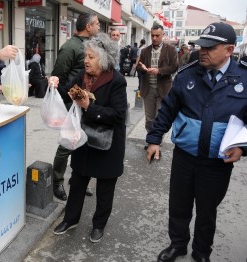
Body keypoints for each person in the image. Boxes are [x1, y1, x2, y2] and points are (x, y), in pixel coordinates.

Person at [146, 22, 247, 262]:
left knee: (206, 211)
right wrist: (154, 140)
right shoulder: (187, 74)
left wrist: (243, 148)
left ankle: (202, 252)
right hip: (185, 157)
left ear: (229, 50)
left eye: (210, 47)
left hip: (216, 163)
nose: (203, 51)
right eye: (201, 45)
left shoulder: (244, 78)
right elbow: (168, 110)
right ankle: (178, 244)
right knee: (179, 205)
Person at [51, 32, 127, 243]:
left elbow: (118, 115)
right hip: (84, 141)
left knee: (104, 188)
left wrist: (89, 107)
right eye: (86, 56)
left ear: (103, 59)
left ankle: (98, 225)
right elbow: (67, 90)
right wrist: (54, 84)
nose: (86, 60)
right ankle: (70, 219)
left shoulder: (117, 81)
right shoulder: (83, 77)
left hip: (107, 143)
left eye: (91, 57)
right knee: (77, 182)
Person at [50, 12, 100, 201]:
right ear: (88, 26)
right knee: (66, 144)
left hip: (87, 104)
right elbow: (57, 77)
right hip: (72, 105)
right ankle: (57, 182)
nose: (98, 28)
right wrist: (69, 101)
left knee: (82, 143)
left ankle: (77, 179)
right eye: (96, 24)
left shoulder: (89, 46)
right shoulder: (70, 47)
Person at [136, 23, 178, 136]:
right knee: (149, 118)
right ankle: (151, 138)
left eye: (157, 35)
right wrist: (143, 68)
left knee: (159, 117)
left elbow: (174, 67)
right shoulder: (145, 51)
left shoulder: (171, 50)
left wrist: (159, 71)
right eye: (152, 35)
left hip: (163, 89)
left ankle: (157, 140)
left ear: (163, 35)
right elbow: (138, 66)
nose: (154, 38)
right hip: (148, 88)